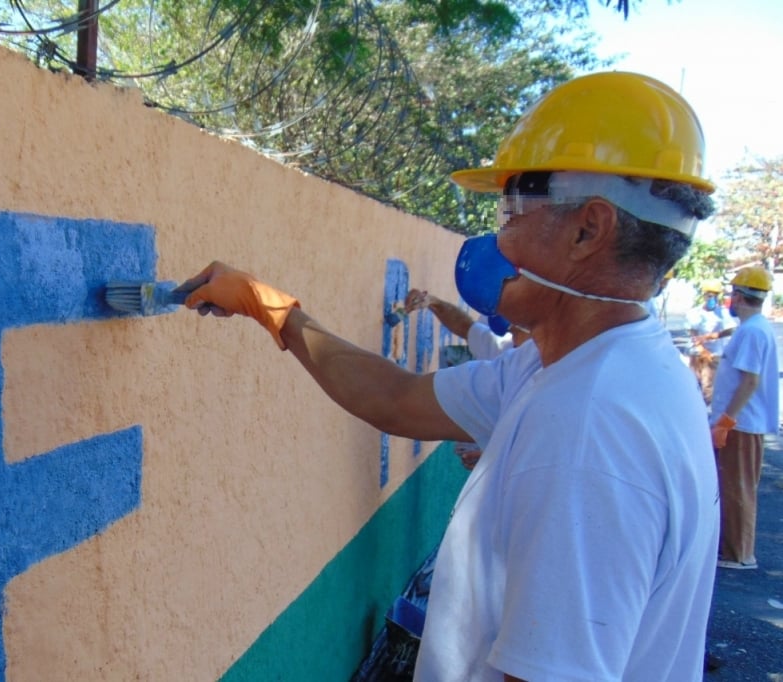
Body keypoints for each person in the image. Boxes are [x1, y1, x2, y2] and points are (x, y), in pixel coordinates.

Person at [178, 72, 718, 681]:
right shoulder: (574, 364)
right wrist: (273, 310)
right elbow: (396, 398)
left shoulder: (590, 428)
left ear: (588, 229)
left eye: (512, 209)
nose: (497, 235)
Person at [403, 290, 530, 469]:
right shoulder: (508, 352)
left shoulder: (548, 376)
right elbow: (466, 328)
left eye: (515, 330)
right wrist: (433, 302)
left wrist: (498, 457)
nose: (511, 335)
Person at [709, 266, 778, 570]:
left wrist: (727, 420)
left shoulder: (752, 332)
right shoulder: (755, 327)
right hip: (743, 422)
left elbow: (750, 382)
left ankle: (738, 553)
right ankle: (735, 549)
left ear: (738, 296)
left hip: (742, 423)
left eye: (732, 295)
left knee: (736, 486)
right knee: (735, 484)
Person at [686, 280, 735, 403]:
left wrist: (712, 336)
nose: (712, 298)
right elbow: (692, 332)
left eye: (715, 295)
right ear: (704, 295)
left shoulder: (723, 313)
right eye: (709, 295)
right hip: (697, 354)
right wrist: (702, 349)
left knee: (708, 388)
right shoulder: (695, 313)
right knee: (693, 386)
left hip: (714, 356)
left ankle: (706, 415)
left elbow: (732, 329)